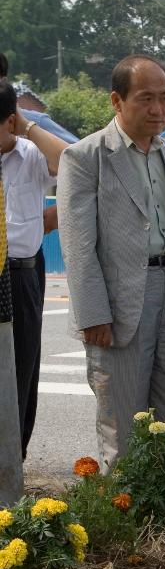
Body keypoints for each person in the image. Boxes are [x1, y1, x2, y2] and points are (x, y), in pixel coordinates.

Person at [58, 55, 165, 464]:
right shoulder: (85, 157)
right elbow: (78, 244)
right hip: (118, 303)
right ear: (117, 102)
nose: (158, 110)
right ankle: (124, 519)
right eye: (146, 99)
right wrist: (92, 313)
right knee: (121, 418)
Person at [1, 81, 68, 459]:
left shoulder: (31, 155)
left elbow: (77, 168)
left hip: (20, 273)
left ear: (10, 121)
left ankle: (13, 463)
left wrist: (27, 126)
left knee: (21, 367)